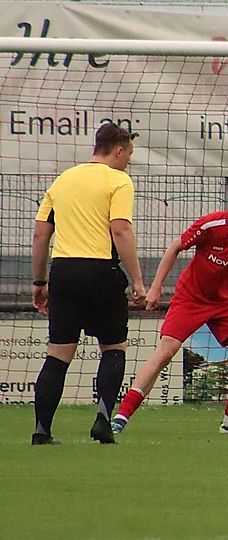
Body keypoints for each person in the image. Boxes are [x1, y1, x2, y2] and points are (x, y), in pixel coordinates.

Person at [111, 176, 228, 435]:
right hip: (190, 298)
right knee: (165, 352)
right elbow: (175, 247)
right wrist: (155, 288)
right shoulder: (211, 224)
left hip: (223, 301)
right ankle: (121, 417)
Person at [30, 122, 146, 445]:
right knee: (113, 348)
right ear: (119, 150)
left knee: (58, 354)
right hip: (101, 273)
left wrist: (39, 281)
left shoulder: (63, 180)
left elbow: (41, 234)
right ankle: (103, 419)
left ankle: (42, 431)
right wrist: (138, 281)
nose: (129, 162)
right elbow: (120, 229)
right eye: (129, 155)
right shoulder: (119, 180)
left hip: (64, 272)